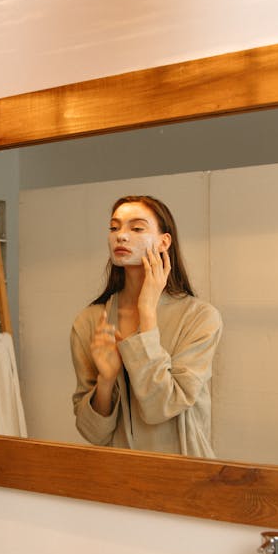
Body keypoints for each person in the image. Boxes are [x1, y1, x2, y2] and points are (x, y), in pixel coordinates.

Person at [70, 195, 222, 458]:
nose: (121, 236)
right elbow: (91, 432)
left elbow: (161, 407)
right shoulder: (90, 322)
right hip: (118, 477)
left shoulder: (200, 318)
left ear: (164, 241)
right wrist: (105, 382)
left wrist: (147, 313)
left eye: (136, 228)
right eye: (114, 228)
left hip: (186, 475)